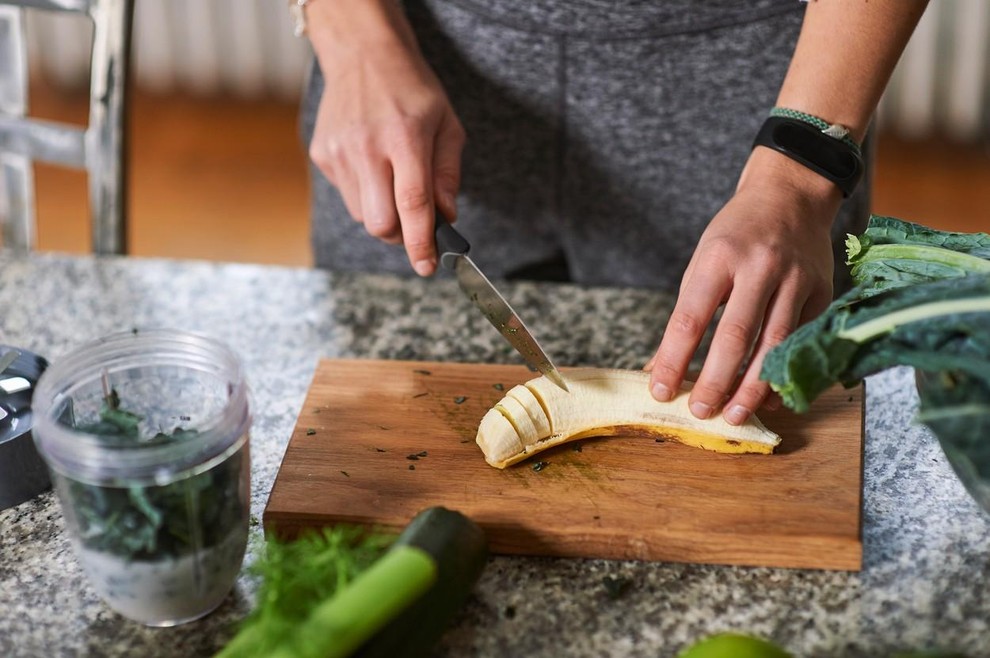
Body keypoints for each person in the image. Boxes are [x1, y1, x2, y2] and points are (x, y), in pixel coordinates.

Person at [298, 0, 928, 425]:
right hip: (409, 62)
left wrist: (800, 170)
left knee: (736, 389)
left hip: (762, 90)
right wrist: (350, 35)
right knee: (392, 412)